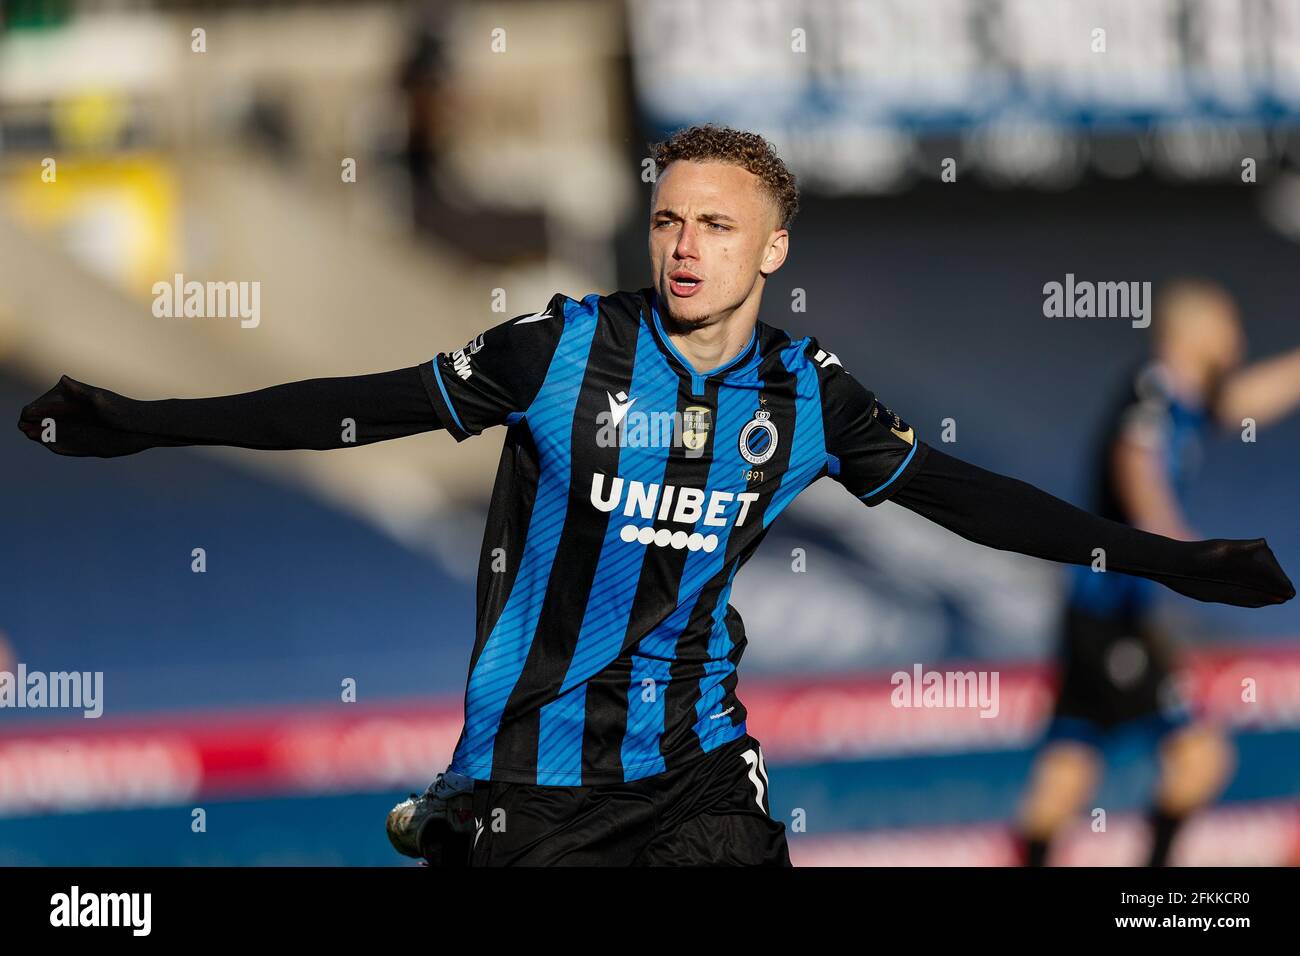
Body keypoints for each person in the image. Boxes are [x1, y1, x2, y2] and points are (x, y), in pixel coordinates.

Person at [18, 126, 1295, 867]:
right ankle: (450, 816)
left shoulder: (810, 398)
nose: (686, 247)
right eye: (670, 221)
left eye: (717, 228)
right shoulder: (555, 350)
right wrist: (142, 420)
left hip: (693, 770)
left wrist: (1164, 559)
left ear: (772, 249)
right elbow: (347, 404)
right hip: (529, 779)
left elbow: (975, 501)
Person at [1017, 279, 1300, 867]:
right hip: (1112, 618)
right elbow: (1135, 461)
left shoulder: (1185, 400)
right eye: (1228, 325)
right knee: (1201, 760)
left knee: (1066, 775)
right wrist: (1180, 549)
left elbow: (1242, 401)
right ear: (1194, 334)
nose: (1239, 338)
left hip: (1101, 616)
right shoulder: (1152, 391)